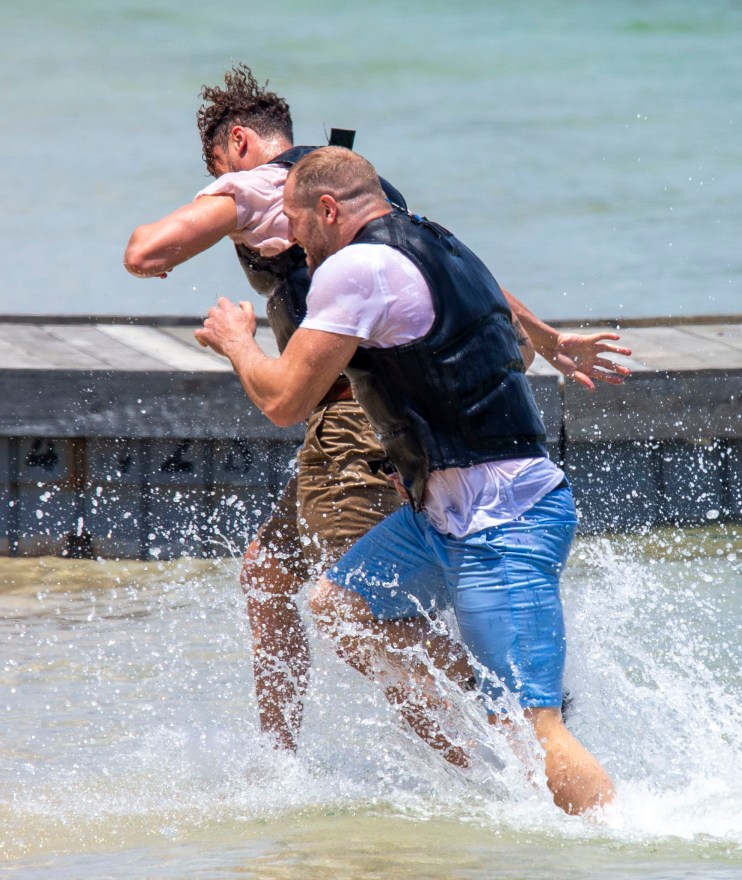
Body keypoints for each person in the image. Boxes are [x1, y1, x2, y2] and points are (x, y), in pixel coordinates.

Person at [125, 65, 631, 759]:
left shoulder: (250, 187)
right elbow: (432, 261)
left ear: (238, 143)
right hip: (355, 423)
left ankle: (485, 765)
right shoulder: (363, 192)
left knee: (373, 626)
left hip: (355, 422)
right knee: (275, 574)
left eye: (218, 164)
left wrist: (216, 235)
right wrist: (543, 335)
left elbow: (143, 252)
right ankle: (279, 763)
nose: (298, 240)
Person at [194, 146, 617, 815]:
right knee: (340, 606)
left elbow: (284, 401)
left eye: (300, 232)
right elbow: (495, 344)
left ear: (328, 210)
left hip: (501, 521)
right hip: (440, 515)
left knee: (536, 727)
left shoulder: (356, 267)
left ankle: (618, 842)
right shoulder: (438, 241)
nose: (299, 253)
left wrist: (237, 340)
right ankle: (489, 716)